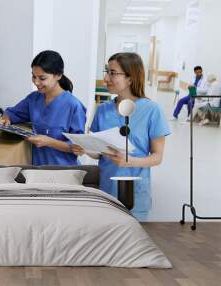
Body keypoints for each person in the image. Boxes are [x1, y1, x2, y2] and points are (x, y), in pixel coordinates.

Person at [72, 52, 170, 220]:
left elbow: (157, 157)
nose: (106, 79)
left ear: (130, 78)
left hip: (135, 192)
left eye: (113, 73)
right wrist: (85, 148)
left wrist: (131, 161)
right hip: (107, 191)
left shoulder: (152, 110)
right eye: (106, 72)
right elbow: (98, 152)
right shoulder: (102, 110)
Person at [0, 50, 87, 165]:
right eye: (33, 76)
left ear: (58, 75)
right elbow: (11, 113)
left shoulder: (74, 106)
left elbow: (78, 148)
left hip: (64, 171)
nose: (36, 82)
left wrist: (49, 142)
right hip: (37, 169)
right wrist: (6, 119)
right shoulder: (34, 99)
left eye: (42, 78)